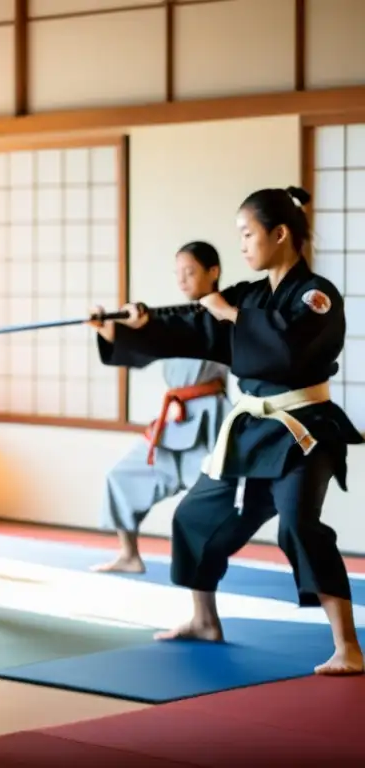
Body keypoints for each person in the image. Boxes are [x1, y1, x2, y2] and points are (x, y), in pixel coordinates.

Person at [90, 186, 363, 675]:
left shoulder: (316, 296)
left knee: (298, 525)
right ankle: (203, 621)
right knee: (194, 515)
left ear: (280, 235)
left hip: (303, 429)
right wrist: (131, 326)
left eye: (247, 234)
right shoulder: (250, 295)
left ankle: (347, 647)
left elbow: (289, 350)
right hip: (252, 430)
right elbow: (194, 327)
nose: (240, 245)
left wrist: (235, 316)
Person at [91, 242, 231, 573]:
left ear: (214, 272)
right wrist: (112, 329)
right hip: (174, 420)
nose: (182, 280)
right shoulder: (177, 320)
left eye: (190, 272)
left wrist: (148, 324)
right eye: (178, 273)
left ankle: (206, 565)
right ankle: (129, 554)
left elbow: (176, 331)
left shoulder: (223, 316)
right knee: (121, 476)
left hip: (210, 419)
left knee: (213, 498)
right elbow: (149, 342)